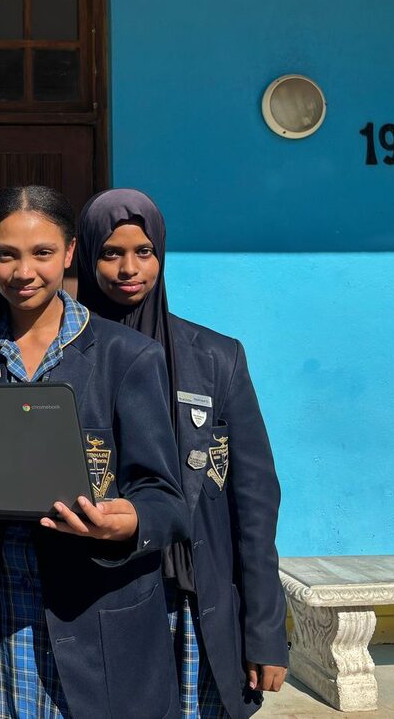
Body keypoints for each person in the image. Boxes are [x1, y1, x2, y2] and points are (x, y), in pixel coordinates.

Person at [0, 184, 187, 719]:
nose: (24, 272)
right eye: (6, 254)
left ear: (69, 254)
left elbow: (166, 499)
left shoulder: (127, 356)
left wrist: (127, 523)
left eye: (42, 253)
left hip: (94, 629)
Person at [75, 188, 288, 719]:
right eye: (111, 253)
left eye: (143, 252)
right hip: (97, 603)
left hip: (194, 601)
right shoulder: (64, 357)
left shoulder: (215, 358)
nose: (129, 269)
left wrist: (264, 630)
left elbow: (255, 501)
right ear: (85, 256)